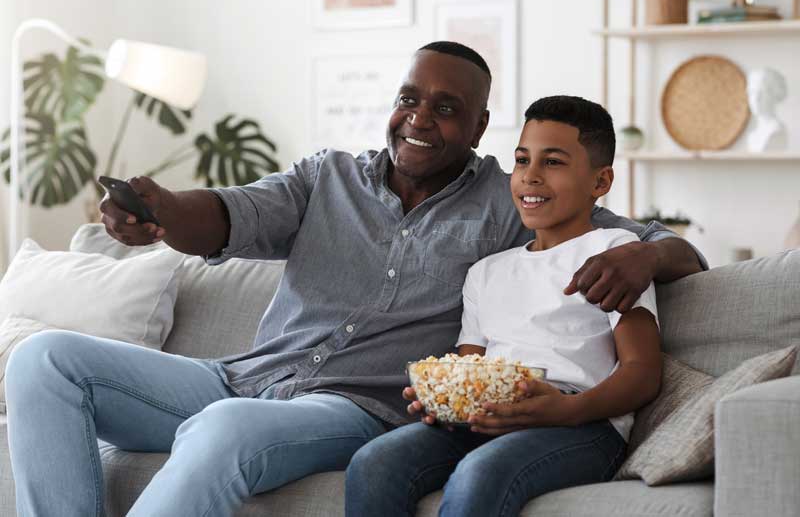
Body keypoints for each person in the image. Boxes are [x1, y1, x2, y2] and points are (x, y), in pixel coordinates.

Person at [5, 42, 705, 517]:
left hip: (351, 409)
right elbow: (227, 216)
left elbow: (654, 244)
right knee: (43, 360)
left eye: (447, 108)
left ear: (480, 126)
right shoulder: (325, 177)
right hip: (243, 376)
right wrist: (160, 213)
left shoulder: (509, 199)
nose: (419, 119)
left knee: (223, 430)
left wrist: (646, 258)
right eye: (410, 99)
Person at [345, 95, 663, 517]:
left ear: (600, 182)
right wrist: (441, 399)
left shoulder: (613, 252)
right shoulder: (486, 272)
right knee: (374, 463)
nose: (530, 177)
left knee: (481, 472)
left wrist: (567, 410)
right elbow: (470, 369)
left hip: (582, 423)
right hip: (491, 417)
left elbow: (642, 373)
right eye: (521, 160)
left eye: (552, 162)